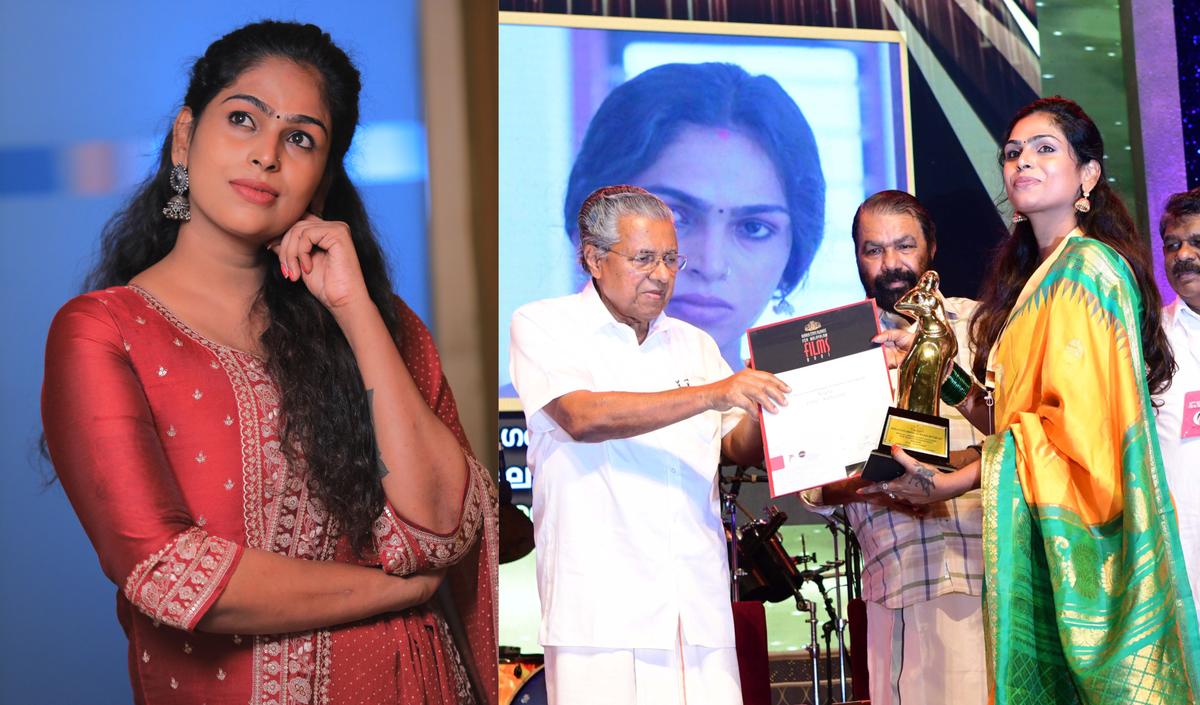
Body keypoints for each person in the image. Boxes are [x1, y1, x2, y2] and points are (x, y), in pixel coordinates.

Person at [40, 21, 496, 705]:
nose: (267, 155)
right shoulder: (104, 333)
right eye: (244, 119)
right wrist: (391, 591)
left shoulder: (382, 325)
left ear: (321, 182)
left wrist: (354, 311)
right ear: (185, 139)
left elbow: (439, 529)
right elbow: (170, 573)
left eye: (301, 138)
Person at [866, 97, 1200, 702]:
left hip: (1091, 549)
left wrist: (954, 482)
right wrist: (942, 370)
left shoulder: (1089, 270)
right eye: (1013, 152)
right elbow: (1011, 420)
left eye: (1046, 148)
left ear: (1088, 175)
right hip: (1044, 540)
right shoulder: (1033, 284)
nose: (1023, 161)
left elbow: (1078, 434)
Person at [509, 185, 790, 704]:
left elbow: (735, 446)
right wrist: (715, 393)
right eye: (644, 259)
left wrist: (768, 405)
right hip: (601, 613)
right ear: (593, 258)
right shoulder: (545, 324)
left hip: (694, 606)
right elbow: (581, 416)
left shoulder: (694, 343)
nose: (662, 275)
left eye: (670, 259)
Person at [803, 190, 986, 705]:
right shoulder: (835, 351)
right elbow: (817, 485)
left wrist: (954, 469)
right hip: (897, 580)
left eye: (904, 246)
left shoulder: (982, 327)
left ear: (931, 247)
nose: (890, 265)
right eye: (873, 250)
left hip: (989, 571)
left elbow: (1017, 431)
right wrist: (874, 481)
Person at [563, 62, 826, 370]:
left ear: (793, 256)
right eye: (672, 215)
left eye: (753, 228)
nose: (711, 265)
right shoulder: (520, 411)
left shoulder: (830, 417)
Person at [1155, 188, 1200, 617]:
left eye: (1197, 242)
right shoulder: (1148, 341)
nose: (1183, 255)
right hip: (1180, 572)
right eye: (1173, 245)